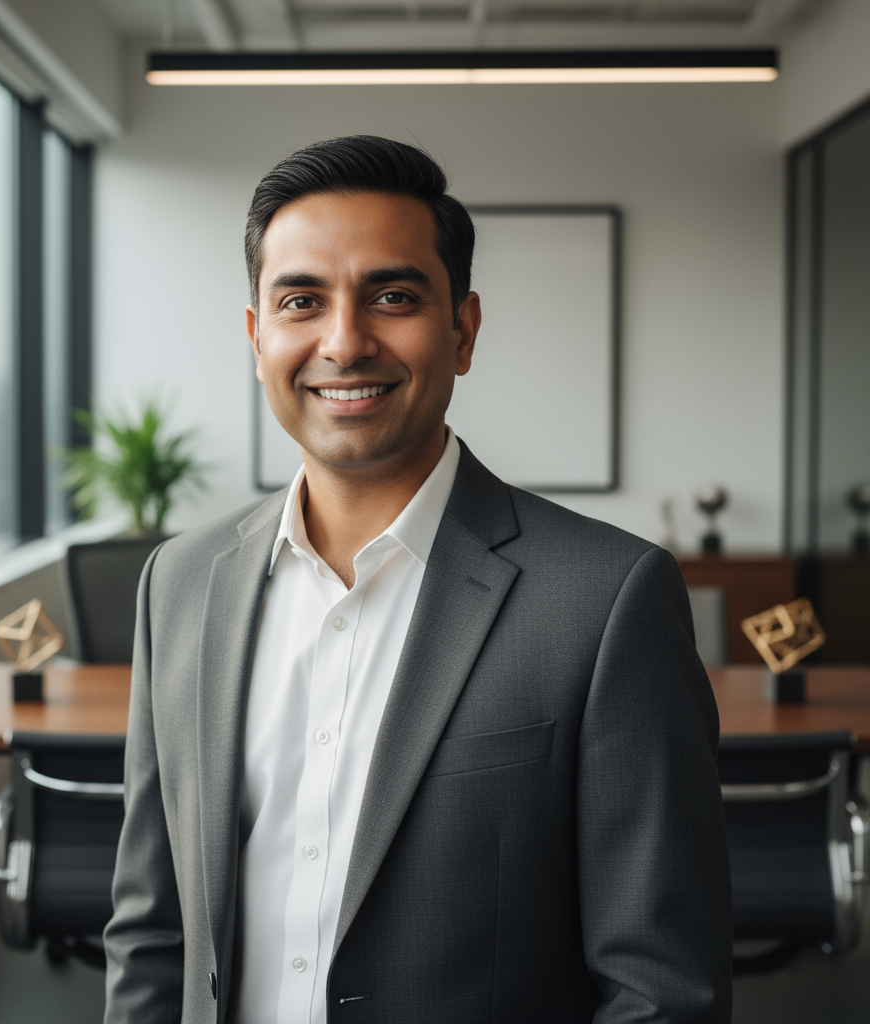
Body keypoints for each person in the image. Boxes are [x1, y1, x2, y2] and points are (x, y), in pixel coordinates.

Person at [103, 135, 733, 1024]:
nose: (345, 341)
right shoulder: (180, 582)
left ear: (463, 329)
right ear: (257, 338)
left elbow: (663, 991)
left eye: (392, 296)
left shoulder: (606, 598)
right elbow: (152, 934)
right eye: (301, 301)